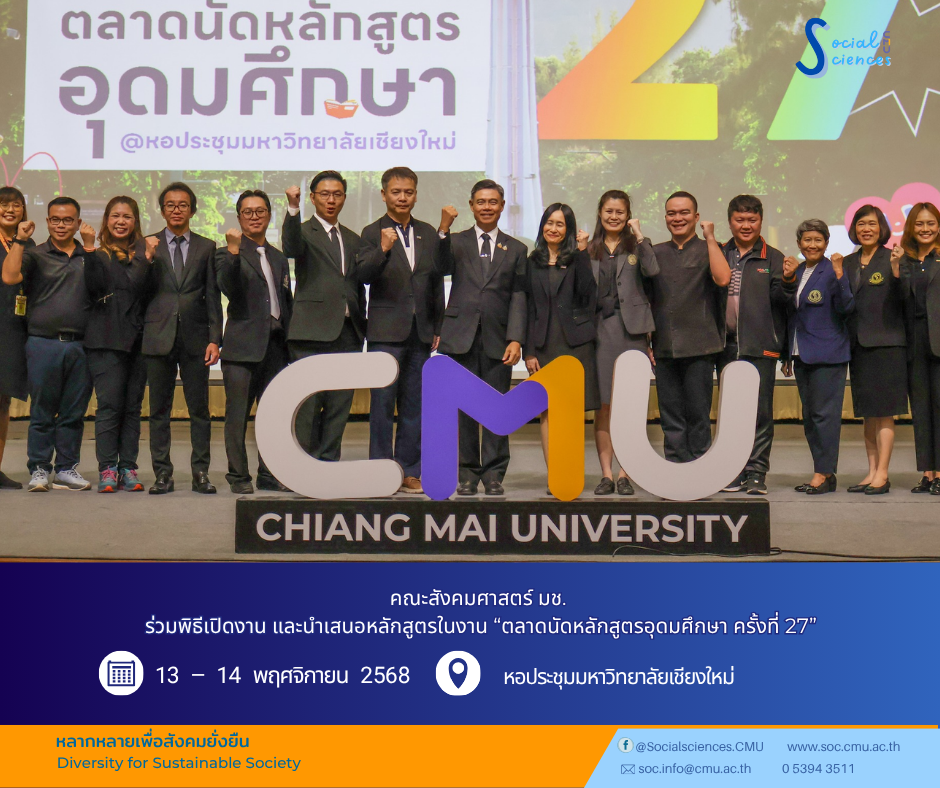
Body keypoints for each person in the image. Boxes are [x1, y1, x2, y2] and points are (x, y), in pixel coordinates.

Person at [436, 179, 528, 496]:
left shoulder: (517, 249)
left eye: (492, 202)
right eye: (480, 202)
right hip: (460, 336)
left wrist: (516, 338)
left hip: (498, 339)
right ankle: (466, 474)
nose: (486, 207)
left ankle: (493, 474)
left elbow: (519, 296)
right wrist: (443, 230)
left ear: (501, 206)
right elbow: (439, 267)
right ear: (471, 206)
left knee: (497, 408)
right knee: (462, 409)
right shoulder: (456, 241)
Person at [357, 167, 444, 495]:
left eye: (408, 192)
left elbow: (435, 282)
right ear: (384, 195)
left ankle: (409, 471)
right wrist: (382, 249)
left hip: (420, 333)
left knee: (414, 406)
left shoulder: (428, 232)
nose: (402, 197)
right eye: (396, 192)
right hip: (385, 333)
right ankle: (380, 470)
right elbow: (363, 276)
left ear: (416, 195)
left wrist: (437, 325)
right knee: (382, 405)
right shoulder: (371, 231)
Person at [1, 197, 93, 492]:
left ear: (78, 223)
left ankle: (66, 469)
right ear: (48, 222)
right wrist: (19, 240)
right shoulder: (35, 253)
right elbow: (9, 276)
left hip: (81, 345)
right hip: (43, 343)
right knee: (41, 413)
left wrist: (91, 247)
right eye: (55, 219)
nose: (61, 225)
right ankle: (39, 468)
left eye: (67, 220)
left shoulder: (89, 254)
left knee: (73, 413)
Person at [711, 195, 797, 495]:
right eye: (740, 220)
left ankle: (756, 472)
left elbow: (782, 302)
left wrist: (788, 280)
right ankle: (733, 471)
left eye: (752, 220)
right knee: (730, 412)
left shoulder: (773, 257)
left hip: (760, 346)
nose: (746, 225)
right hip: (724, 346)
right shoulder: (719, 253)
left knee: (759, 413)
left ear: (760, 221)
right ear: (730, 221)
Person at [142, 182, 222, 495]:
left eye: (183, 205)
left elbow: (212, 295)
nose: (177, 210)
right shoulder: (147, 244)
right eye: (171, 205)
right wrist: (147, 259)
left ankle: (201, 472)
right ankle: (163, 474)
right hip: (158, 336)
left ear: (192, 210)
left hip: (196, 338)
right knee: (159, 411)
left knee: (199, 410)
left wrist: (215, 338)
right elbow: (139, 289)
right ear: (162, 210)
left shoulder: (206, 246)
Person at [282, 172, 364, 463]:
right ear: (313, 197)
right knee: (307, 406)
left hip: (347, 333)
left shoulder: (353, 238)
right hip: (311, 333)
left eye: (337, 194)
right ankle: (302, 467)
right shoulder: (303, 231)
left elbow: (355, 286)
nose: (331, 200)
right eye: (325, 194)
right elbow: (291, 248)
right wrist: (293, 208)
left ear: (344, 198)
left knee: (339, 406)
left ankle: (329, 465)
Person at [216, 190, 293, 494]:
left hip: (276, 347)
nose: (254, 217)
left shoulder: (278, 256)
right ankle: (238, 477)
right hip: (242, 349)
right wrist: (234, 252)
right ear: (239, 217)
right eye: (248, 212)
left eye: (260, 211)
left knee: (272, 416)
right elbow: (229, 287)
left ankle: (268, 474)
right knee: (237, 417)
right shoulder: (226, 253)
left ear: (269, 215)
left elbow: (285, 300)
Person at [583, 190, 659, 496]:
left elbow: (653, 271)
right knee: (603, 406)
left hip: (633, 333)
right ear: (600, 212)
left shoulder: (638, 246)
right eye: (609, 211)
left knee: (629, 405)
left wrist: (640, 235)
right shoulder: (588, 248)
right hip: (599, 333)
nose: (614, 217)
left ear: (628, 216)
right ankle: (606, 474)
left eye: (620, 212)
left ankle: (626, 473)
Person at [650, 192, 729, 470]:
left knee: (698, 416)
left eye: (684, 213)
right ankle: (675, 470)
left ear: (696, 217)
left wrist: (710, 238)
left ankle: (700, 471)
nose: (678, 218)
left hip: (701, 346)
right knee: (671, 417)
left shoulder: (710, 247)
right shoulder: (655, 252)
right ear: (665, 218)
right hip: (664, 346)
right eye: (672, 213)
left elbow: (723, 279)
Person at [84, 197, 158, 493]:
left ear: (135, 221)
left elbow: (145, 292)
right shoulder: (98, 253)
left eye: (127, 216)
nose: (120, 221)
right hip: (106, 341)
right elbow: (111, 285)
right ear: (106, 220)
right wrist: (145, 258)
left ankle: (128, 466)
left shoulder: (146, 252)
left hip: (138, 341)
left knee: (132, 408)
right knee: (110, 406)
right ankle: (107, 468)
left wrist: (147, 257)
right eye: (115, 216)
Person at [524, 203, 599, 476]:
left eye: (560, 224)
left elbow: (587, 293)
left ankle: (569, 473)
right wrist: (529, 351)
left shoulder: (577, 257)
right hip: (543, 345)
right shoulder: (532, 261)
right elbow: (528, 309)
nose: (553, 229)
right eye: (549, 222)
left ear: (568, 229)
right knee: (547, 410)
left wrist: (583, 252)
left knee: (571, 411)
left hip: (576, 345)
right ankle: (555, 474)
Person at [784, 220, 854, 495]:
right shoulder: (799, 271)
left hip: (828, 354)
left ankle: (823, 474)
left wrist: (840, 274)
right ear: (799, 243)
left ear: (826, 243)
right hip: (802, 353)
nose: (812, 245)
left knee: (825, 416)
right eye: (807, 240)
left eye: (818, 240)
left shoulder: (833, 269)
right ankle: (822, 471)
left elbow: (847, 307)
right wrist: (788, 354)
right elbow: (792, 315)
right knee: (811, 417)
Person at [842, 205, 906, 494]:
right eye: (861, 224)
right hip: (858, 346)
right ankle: (871, 471)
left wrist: (897, 270)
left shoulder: (893, 258)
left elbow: (905, 298)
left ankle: (883, 472)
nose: (866, 229)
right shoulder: (848, 262)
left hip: (887, 345)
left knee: (884, 413)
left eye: (871, 224)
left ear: (882, 228)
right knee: (868, 413)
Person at [897, 202, 940, 495]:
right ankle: (928, 472)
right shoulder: (905, 260)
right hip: (914, 343)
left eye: (930, 223)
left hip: (938, 341)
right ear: (911, 227)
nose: (925, 229)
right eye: (919, 224)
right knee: (921, 409)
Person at [0, 187, 32, 490]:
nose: (10, 210)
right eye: (4, 204)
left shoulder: (27, 243)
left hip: (12, 329)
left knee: (3, 401)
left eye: (17, 205)